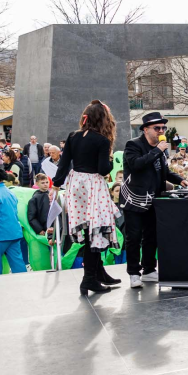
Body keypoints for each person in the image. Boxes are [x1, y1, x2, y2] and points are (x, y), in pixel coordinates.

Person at [52, 100, 120, 292]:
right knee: (96, 232)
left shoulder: (73, 136)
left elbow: (64, 164)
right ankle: (89, 278)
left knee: (91, 231)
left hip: (76, 186)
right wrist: (110, 157)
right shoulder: (102, 140)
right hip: (93, 187)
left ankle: (98, 272)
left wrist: (56, 185)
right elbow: (103, 169)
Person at [120, 111, 183, 288]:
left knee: (151, 235)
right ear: (146, 129)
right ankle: (133, 273)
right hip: (134, 198)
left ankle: (149, 269)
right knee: (134, 237)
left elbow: (163, 170)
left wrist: (180, 180)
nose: (161, 130)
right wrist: (158, 150)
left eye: (163, 127)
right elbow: (137, 165)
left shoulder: (160, 149)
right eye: (157, 128)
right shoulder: (133, 145)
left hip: (154, 198)